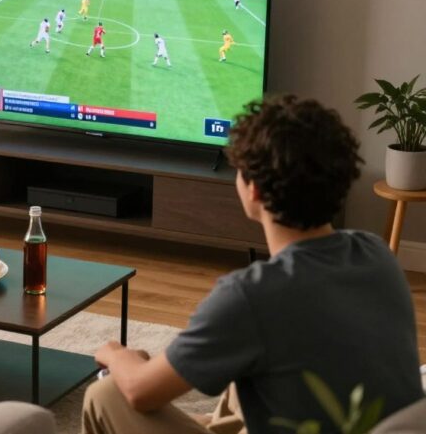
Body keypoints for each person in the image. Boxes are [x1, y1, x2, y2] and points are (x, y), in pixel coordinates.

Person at [81, 95, 423, 434]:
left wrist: (116, 354)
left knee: (107, 393)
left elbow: (141, 392)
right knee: (252, 368)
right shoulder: (378, 256)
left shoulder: (251, 296)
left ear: (254, 190)